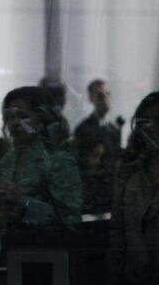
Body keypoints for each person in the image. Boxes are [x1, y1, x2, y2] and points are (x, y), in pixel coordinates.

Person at [0, 86, 82, 230]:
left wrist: (25, 204)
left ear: (41, 118)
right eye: (10, 117)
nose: (15, 123)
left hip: (46, 242)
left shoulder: (59, 160)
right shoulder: (8, 160)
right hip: (10, 240)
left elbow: (71, 220)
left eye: (23, 116)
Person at [110, 92, 159, 285]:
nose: (152, 128)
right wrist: (114, 274)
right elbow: (118, 229)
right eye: (146, 122)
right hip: (136, 274)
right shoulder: (128, 167)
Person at [74, 79, 123, 163]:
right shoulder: (83, 129)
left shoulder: (114, 128)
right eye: (100, 96)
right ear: (91, 98)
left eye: (108, 94)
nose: (106, 99)